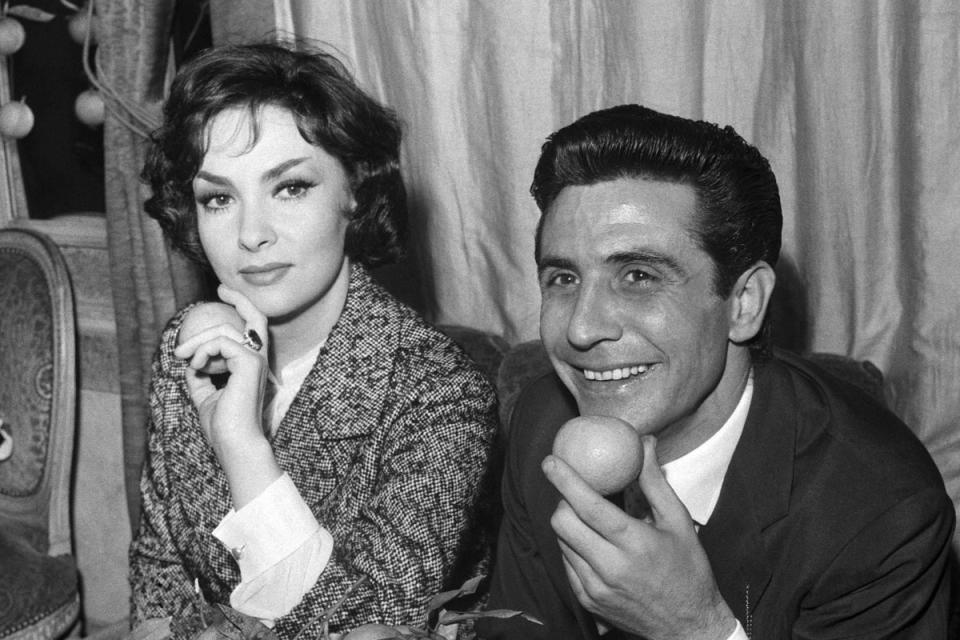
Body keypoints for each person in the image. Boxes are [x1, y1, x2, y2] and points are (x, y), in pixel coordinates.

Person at [479, 104, 955, 639]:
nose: (582, 330)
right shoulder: (541, 423)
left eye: (638, 275)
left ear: (743, 303)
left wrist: (697, 629)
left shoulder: (878, 511)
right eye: (563, 279)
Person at [129, 42, 498, 639]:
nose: (252, 235)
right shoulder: (187, 345)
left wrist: (241, 443)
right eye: (219, 198)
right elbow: (158, 578)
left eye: (290, 187)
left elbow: (368, 627)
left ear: (354, 192)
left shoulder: (442, 394)